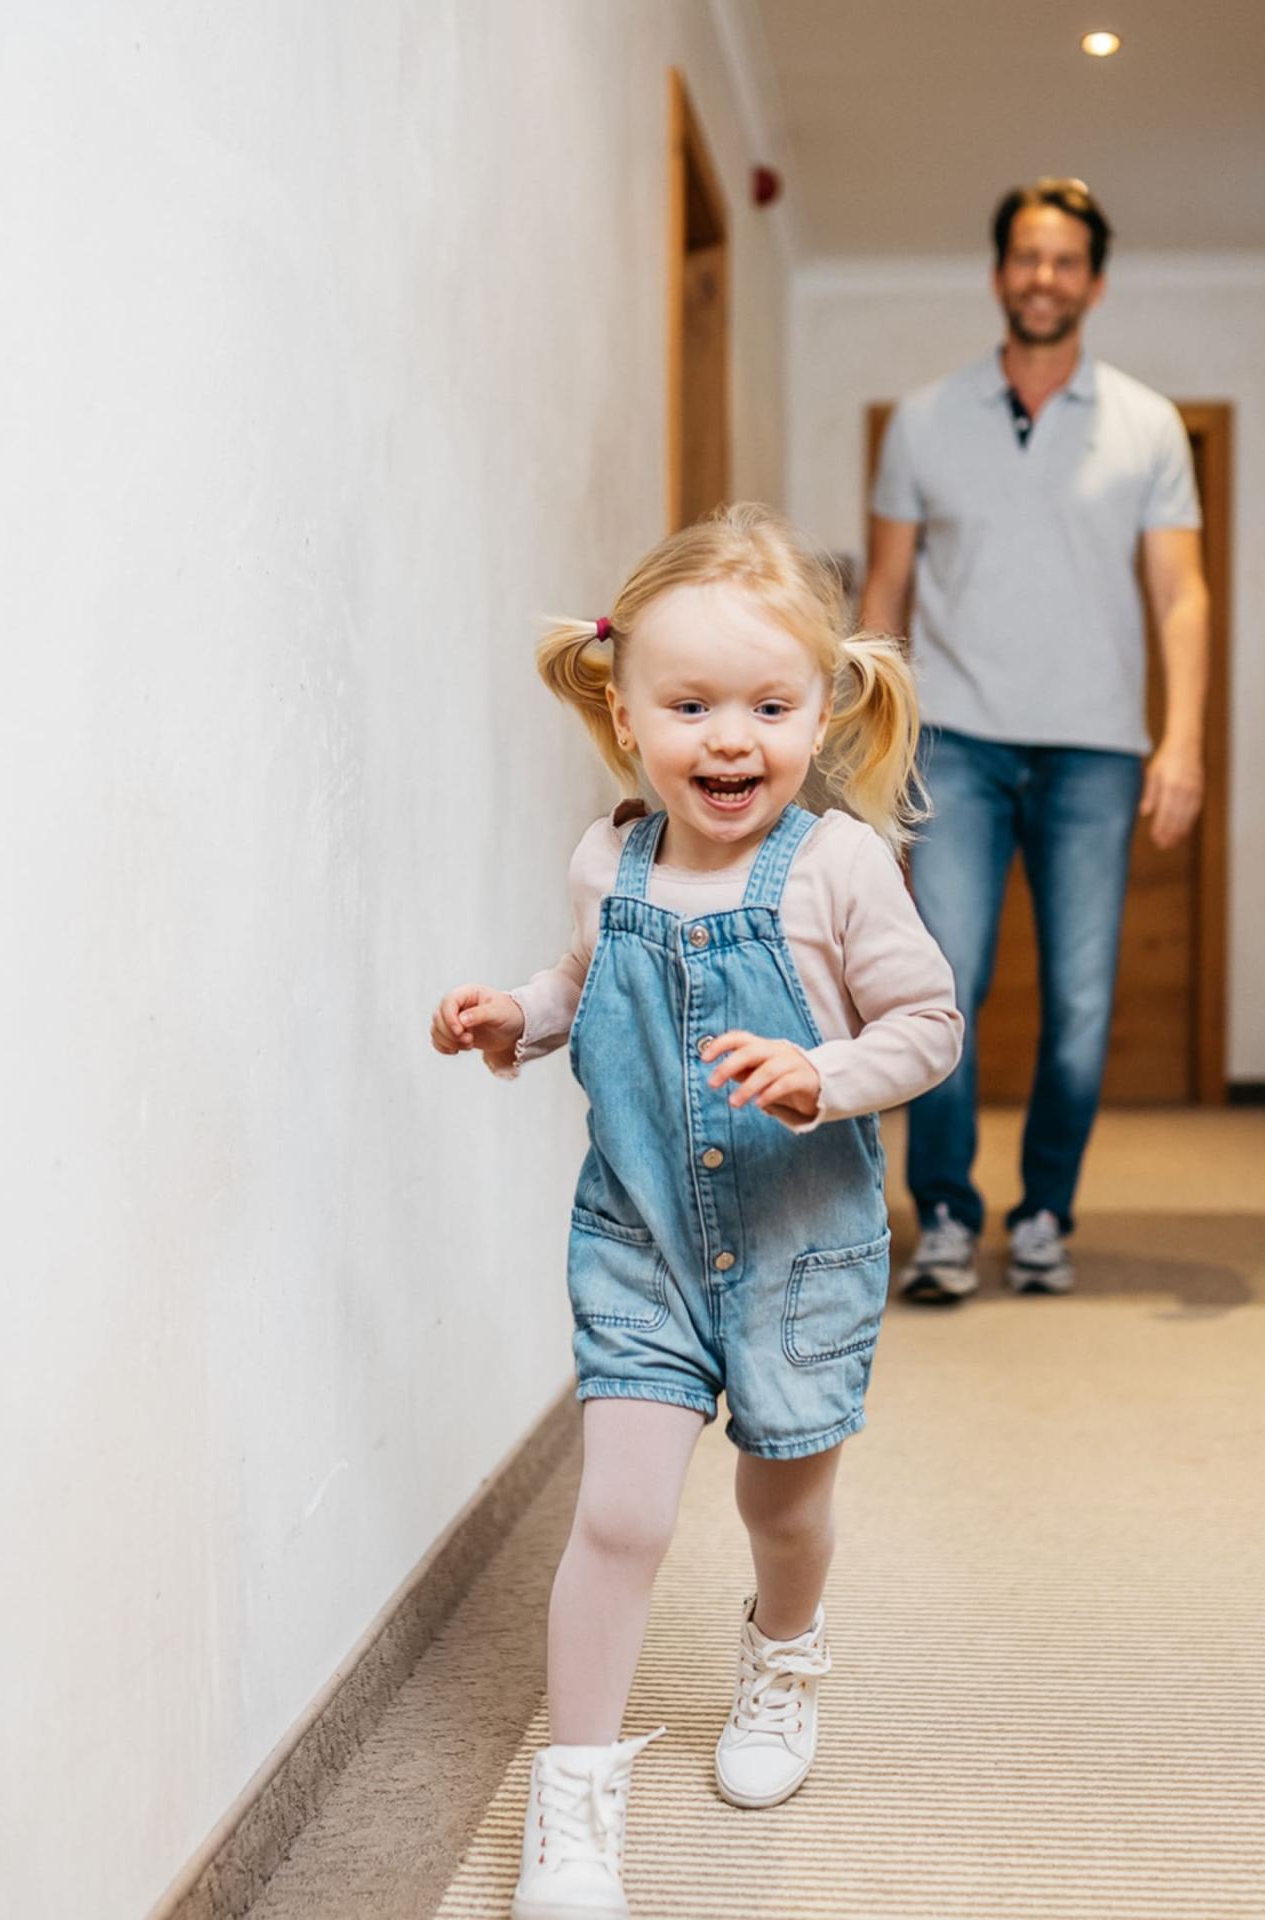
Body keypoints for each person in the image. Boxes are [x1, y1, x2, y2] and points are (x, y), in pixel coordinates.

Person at [430, 503, 961, 1920]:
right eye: (693, 705)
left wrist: (826, 1073)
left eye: (770, 707)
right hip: (643, 1240)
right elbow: (588, 978)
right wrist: (521, 1017)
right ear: (625, 711)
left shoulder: (840, 868)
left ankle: (785, 1645)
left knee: (780, 1503)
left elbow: (929, 1027)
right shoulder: (607, 861)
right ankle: (578, 1802)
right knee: (617, 1514)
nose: (733, 741)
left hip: (800, 1252)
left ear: (823, 708)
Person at [860, 177, 1211, 1305]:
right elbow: (885, 590)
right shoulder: (923, 419)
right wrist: (872, 745)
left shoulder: (1149, 424)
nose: (1043, 277)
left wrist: (1183, 742)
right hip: (955, 741)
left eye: (1065, 260)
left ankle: (1047, 1210)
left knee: (1082, 1001)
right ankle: (950, 1216)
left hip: (1097, 749)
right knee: (940, 984)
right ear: (999, 271)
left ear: (1094, 282)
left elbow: (1183, 597)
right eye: (1025, 256)